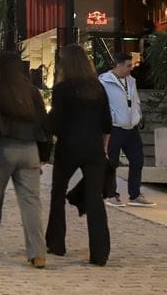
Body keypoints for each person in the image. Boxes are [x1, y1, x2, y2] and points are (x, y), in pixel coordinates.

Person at [0, 52, 50, 269]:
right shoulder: (32, 92)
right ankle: (38, 253)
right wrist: (44, 153)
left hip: (5, 150)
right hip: (30, 150)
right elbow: (44, 123)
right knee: (31, 203)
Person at [45, 44, 111, 266]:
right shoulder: (98, 88)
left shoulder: (62, 89)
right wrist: (103, 148)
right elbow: (106, 123)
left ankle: (56, 243)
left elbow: (56, 122)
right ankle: (100, 252)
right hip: (94, 147)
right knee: (94, 199)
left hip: (69, 147)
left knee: (58, 193)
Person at [99, 52, 156, 207]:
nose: (131, 68)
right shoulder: (104, 82)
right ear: (118, 65)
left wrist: (137, 115)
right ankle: (111, 194)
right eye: (128, 65)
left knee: (137, 160)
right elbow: (101, 104)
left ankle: (135, 194)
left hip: (131, 127)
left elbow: (135, 101)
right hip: (114, 127)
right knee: (112, 162)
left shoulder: (131, 81)